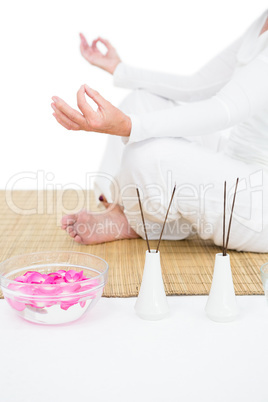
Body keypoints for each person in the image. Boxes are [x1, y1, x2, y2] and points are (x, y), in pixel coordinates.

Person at [52, 10, 268, 252]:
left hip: (260, 198)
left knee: (146, 154)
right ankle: (120, 210)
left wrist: (128, 125)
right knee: (141, 102)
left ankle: (135, 219)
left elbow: (225, 109)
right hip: (235, 159)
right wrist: (120, 69)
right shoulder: (263, 22)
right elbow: (198, 85)